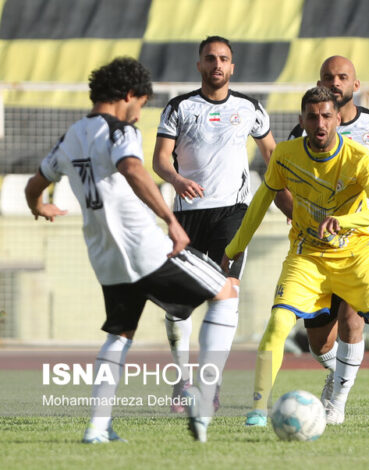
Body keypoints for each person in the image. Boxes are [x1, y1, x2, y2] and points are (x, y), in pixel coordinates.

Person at [24, 57, 238, 443]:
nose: (139, 114)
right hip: (145, 247)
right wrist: (171, 222)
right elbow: (133, 168)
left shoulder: (69, 137)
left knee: (120, 334)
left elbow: (34, 184)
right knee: (226, 293)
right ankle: (203, 398)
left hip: (105, 257)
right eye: (140, 105)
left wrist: (38, 207)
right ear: (128, 96)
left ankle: (97, 427)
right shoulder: (120, 130)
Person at [243, 55, 369, 429]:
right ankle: (338, 373)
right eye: (328, 76)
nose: (336, 82)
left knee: (354, 320)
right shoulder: (300, 137)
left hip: (362, 243)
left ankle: (338, 401)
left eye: (343, 76)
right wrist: (303, 216)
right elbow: (281, 184)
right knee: (320, 342)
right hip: (312, 249)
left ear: (356, 85)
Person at [152, 35, 276, 413]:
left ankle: (210, 385)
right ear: (199, 65)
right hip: (187, 216)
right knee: (178, 309)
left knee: (227, 292)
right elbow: (160, 159)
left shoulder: (250, 108)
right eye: (210, 58)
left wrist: (284, 200)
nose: (217, 64)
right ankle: (183, 380)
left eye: (223, 59)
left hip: (233, 212)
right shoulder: (180, 108)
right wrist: (175, 180)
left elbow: (272, 156)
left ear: (232, 67)